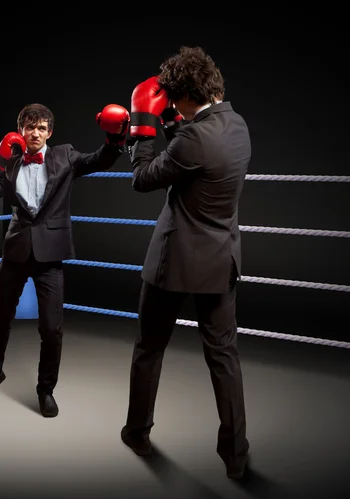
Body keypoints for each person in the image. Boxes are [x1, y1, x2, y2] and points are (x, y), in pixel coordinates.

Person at [120, 46, 252, 480]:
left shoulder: (194, 139)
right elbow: (190, 159)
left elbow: (143, 178)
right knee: (224, 357)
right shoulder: (236, 125)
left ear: (182, 95)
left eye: (173, 100)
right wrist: (175, 123)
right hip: (220, 260)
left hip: (174, 261)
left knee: (149, 349)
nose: (170, 106)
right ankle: (236, 456)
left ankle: (138, 433)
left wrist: (141, 125)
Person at [0, 102, 130, 418]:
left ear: (50, 132)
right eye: (30, 127)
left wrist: (115, 139)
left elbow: (98, 161)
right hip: (16, 249)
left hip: (51, 254)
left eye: (41, 128)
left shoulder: (65, 155)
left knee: (51, 328)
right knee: (1, 317)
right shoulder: (12, 160)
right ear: (21, 130)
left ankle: (45, 391)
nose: (35, 133)